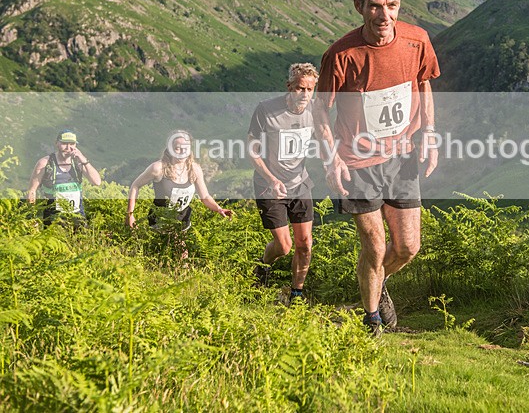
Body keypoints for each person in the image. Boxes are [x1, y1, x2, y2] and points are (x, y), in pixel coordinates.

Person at [313, 0, 440, 336]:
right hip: (357, 162)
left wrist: (429, 133)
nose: (384, 16)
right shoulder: (341, 54)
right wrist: (331, 156)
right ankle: (371, 321)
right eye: (375, 6)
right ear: (359, 6)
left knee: (408, 247)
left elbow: (424, 84)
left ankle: (376, 281)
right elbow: (320, 108)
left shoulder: (418, 41)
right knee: (375, 243)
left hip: (402, 157)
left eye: (392, 5)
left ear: (400, 4)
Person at [247, 63, 319, 304]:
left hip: (300, 184)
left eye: (309, 89)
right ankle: (262, 267)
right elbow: (252, 150)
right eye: (299, 88)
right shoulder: (266, 110)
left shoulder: (316, 110)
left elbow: (328, 138)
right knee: (284, 246)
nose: (304, 95)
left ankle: (296, 294)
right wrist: (272, 178)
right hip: (269, 185)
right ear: (289, 87)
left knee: (305, 244)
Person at [127, 130, 232, 259]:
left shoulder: (195, 169)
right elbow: (135, 185)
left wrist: (219, 209)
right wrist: (130, 215)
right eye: (177, 148)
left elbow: (204, 196)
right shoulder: (158, 168)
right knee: (169, 255)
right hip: (161, 218)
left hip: (182, 218)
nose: (182, 151)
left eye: (185, 148)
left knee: (177, 256)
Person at [27, 129, 102, 225]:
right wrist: (32, 218)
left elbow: (97, 182)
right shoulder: (45, 163)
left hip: (78, 217)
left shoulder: (78, 163)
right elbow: (32, 191)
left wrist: (83, 159)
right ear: (57, 143)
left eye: (72, 144)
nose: (68, 147)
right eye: (64, 144)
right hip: (53, 218)